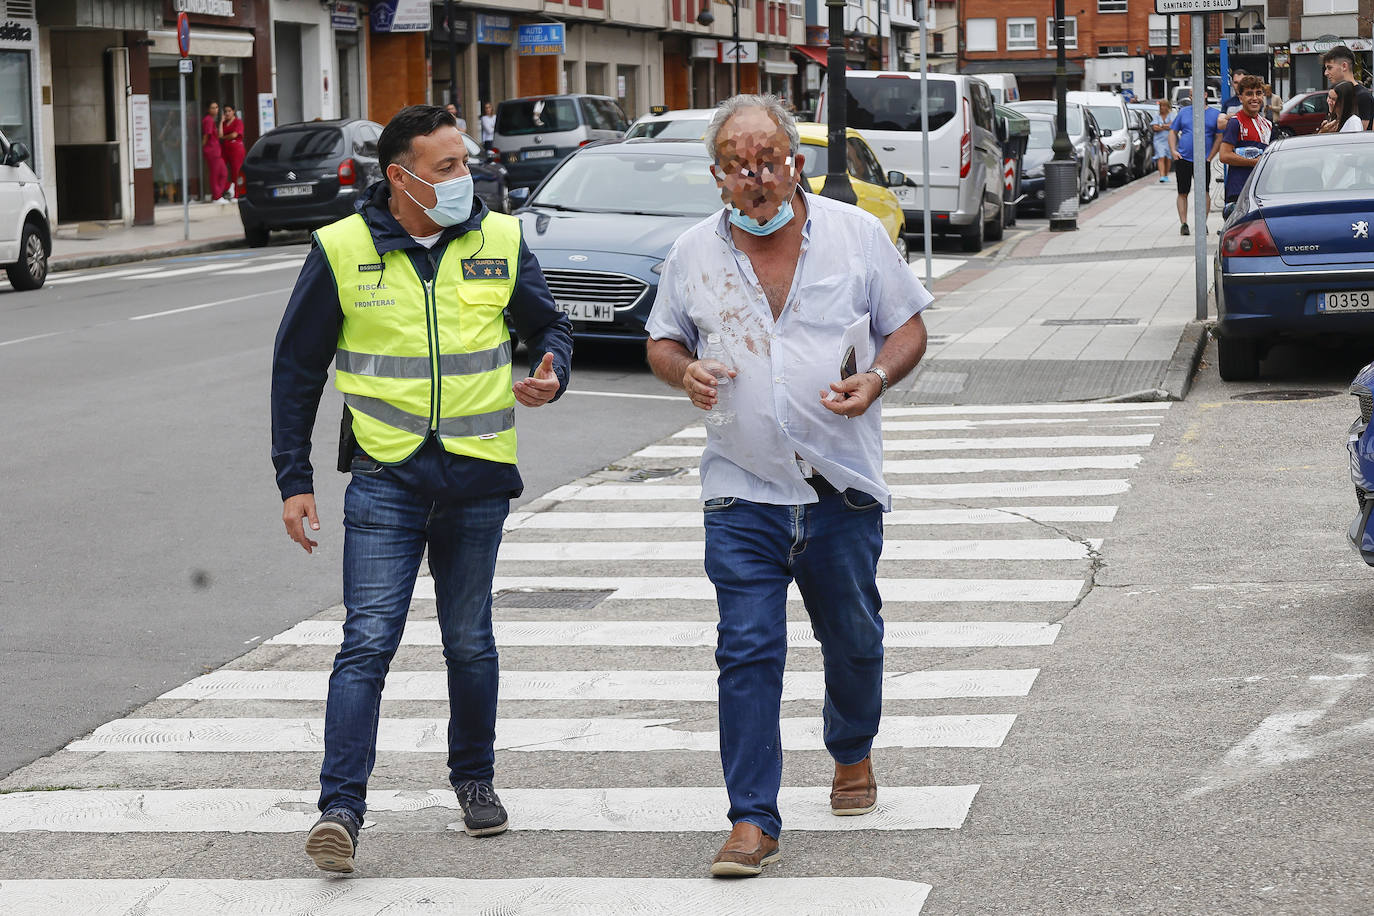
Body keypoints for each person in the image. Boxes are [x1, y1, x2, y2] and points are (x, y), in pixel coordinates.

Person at [272, 104, 573, 875]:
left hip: (476, 478)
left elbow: (550, 328)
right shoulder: (342, 249)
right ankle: (340, 809)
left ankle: (474, 781)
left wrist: (552, 370)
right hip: (385, 478)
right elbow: (297, 372)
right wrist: (294, 480)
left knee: (469, 642)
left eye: (462, 162)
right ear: (399, 177)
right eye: (444, 168)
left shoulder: (498, 238)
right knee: (366, 642)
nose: (461, 178)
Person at [644, 93, 932, 879]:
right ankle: (751, 819)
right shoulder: (694, 254)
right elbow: (662, 339)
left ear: (793, 163)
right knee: (746, 650)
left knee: (854, 639)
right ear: (717, 177)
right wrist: (685, 371)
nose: (757, 179)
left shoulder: (855, 236)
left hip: (839, 486)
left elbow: (910, 326)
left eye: (768, 162)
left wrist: (874, 378)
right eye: (739, 168)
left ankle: (850, 749)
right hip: (742, 488)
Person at [1169, 96, 1223, 236]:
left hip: (1203, 159)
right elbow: (1172, 131)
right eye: (1191, 94)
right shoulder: (1184, 112)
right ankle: (1184, 223)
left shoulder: (1214, 114)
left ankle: (1202, 223)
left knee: (1204, 191)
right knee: (1182, 191)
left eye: (1195, 93)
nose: (1193, 96)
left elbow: (1219, 137)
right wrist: (1173, 151)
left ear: (1204, 94)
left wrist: (1211, 156)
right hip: (1184, 158)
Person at [1217, 74, 1271, 205]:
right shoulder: (1235, 122)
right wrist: (1254, 162)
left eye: (1258, 93)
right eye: (1249, 94)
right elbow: (1224, 156)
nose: (1254, 98)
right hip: (1238, 192)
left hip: (1261, 191)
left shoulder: (1267, 124)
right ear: (1240, 98)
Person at [1319, 45, 1372, 131]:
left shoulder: (1363, 96)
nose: (1326, 73)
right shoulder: (1336, 92)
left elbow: (1357, 138)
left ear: (1344, 66)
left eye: (1329, 68)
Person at [201, 101, 229, 201]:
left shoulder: (212, 120)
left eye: (216, 107)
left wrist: (221, 121)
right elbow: (206, 135)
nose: (215, 110)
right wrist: (203, 147)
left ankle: (218, 194)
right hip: (212, 150)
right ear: (208, 110)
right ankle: (217, 196)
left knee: (224, 173)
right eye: (212, 108)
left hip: (216, 150)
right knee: (215, 174)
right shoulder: (208, 120)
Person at [220, 104, 246, 197]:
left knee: (236, 171)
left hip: (236, 149)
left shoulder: (238, 122)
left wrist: (224, 137)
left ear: (233, 111)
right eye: (225, 111)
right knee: (221, 169)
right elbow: (220, 134)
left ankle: (237, 194)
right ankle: (228, 187)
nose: (227, 113)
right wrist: (221, 122)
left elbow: (234, 135)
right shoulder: (223, 123)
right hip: (225, 148)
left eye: (229, 111)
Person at [1151, 98, 1173, 183]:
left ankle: (1166, 175)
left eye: (1164, 106)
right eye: (1160, 106)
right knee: (1161, 156)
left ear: (1167, 106)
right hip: (1159, 140)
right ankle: (1162, 176)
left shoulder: (1172, 115)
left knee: (1168, 157)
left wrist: (1161, 126)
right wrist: (1166, 126)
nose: (1162, 108)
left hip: (1169, 139)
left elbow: (1172, 125)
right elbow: (1154, 127)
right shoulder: (1157, 116)